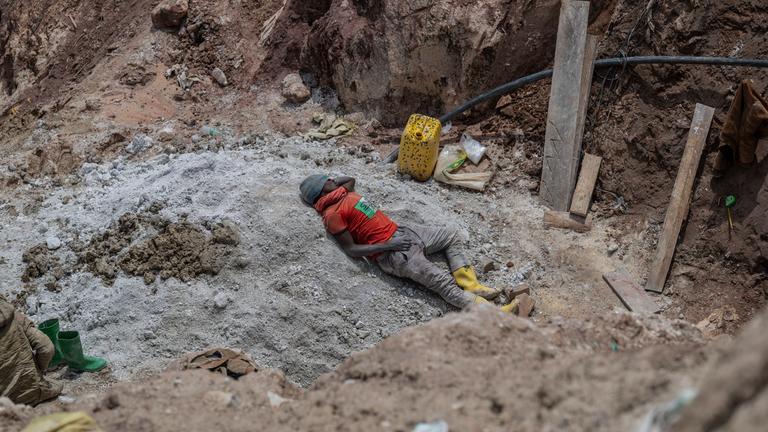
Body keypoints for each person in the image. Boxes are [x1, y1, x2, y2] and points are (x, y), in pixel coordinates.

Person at [300, 174, 527, 313]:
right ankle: (494, 314)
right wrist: (389, 246)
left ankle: (471, 283)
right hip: (394, 254)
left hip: (404, 232)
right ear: (320, 191)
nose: (332, 179)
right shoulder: (332, 214)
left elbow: (350, 179)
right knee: (443, 283)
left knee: (451, 235)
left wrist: (330, 182)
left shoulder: (342, 193)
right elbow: (351, 249)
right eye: (326, 181)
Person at [0, 298, 62, 405]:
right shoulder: (13, 316)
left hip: (3, 404)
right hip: (32, 392)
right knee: (56, 385)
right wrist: (41, 370)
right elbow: (46, 347)